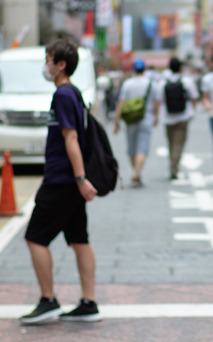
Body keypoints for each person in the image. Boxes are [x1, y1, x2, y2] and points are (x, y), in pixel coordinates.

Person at [20, 41, 100, 325]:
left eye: (48, 59)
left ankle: (48, 300)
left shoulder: (63, 95)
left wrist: (79, 179)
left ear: (61, 64)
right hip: (69, 181)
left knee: (35, 237)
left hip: (61, 180)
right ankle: (89, 303)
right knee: (79, 239)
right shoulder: (73, 93)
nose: (46, 64)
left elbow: (71, 138)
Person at [154, 57, 199, 180]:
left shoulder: (163, 83)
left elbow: (158, 101)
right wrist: (193, 109)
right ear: (180, 68)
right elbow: (194, 97)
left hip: (167, 118)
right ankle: (174, 168)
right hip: (183, 117)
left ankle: (173, 166)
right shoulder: (186, 81)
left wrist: (156, 116)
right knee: (178, 144)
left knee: (171, 144)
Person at [114, 60, 155, 187]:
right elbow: (157, 101)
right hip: (146, 117)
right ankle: (136, 173)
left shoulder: (127, 84)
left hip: (130, 119)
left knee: (132, 148)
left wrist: (116, 121)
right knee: (142, 147)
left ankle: (135, 171)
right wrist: (156, 115)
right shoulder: (150, 83)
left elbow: (121, 102)